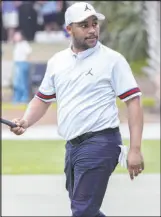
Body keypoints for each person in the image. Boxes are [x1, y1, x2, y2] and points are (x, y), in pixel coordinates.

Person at [10, 2, 144, 217]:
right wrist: (25, 121)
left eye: (94, 24)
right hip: (73, 147)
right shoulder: (57, 61)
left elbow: (133, 102)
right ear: (69, 29)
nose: (92, 29)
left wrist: (135, 149)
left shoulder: (113, 60)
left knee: (82, 210)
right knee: (85, 209)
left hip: (101, 143)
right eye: (84, 25)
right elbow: (42, 99)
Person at [12, 31, 32, 103]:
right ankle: (17, 98)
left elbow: (28, 53)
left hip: (23, 63)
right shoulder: (17, 45)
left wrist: (26, 64)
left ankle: (24, 98)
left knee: (23, 82)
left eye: (17, 35)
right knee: (17, 82)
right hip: (17, 64)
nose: (16, 37)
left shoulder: (24, 44)